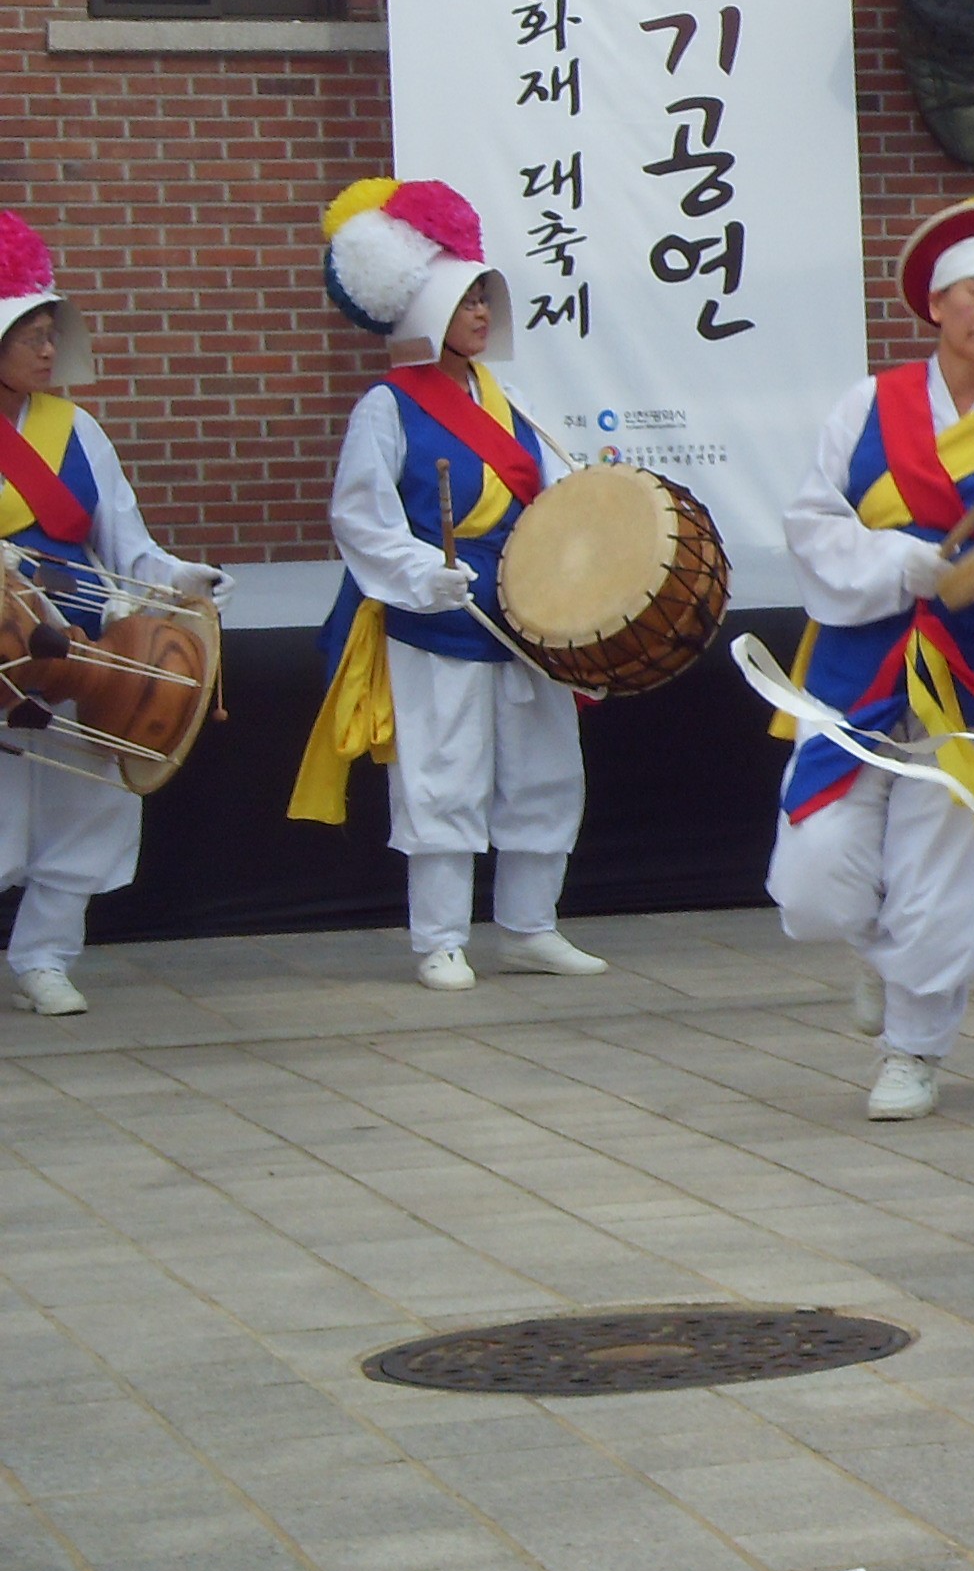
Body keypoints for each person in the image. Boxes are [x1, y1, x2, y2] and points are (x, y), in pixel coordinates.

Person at [767, 198, 974, 1122]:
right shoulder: (866, 406)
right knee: (816, 880)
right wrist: (901, 564)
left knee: (947, 875)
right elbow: (811, 522)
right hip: (860, 668)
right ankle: (883, 961)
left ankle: (915, 1049)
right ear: (939, 304)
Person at [292, 179, 606, 988]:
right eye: (466, 297)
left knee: (544, 770)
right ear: (429, 307)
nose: (480, 310)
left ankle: (531, 926)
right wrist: (414, 574)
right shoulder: (387, 407)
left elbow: (550, 499)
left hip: (526, 617)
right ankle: (439, 938)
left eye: (482, 296)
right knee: (443, 775)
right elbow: (360, 516)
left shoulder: (514, 401)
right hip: (438, 615)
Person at [0, 213, 229, 1015]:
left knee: (87, 808)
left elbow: (126, 543)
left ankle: (46, 959)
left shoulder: (79, 430)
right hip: (0, 650)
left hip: (85, 643)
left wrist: (177, 578)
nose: (44, 345)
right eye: (27, 330)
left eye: (47, 331)